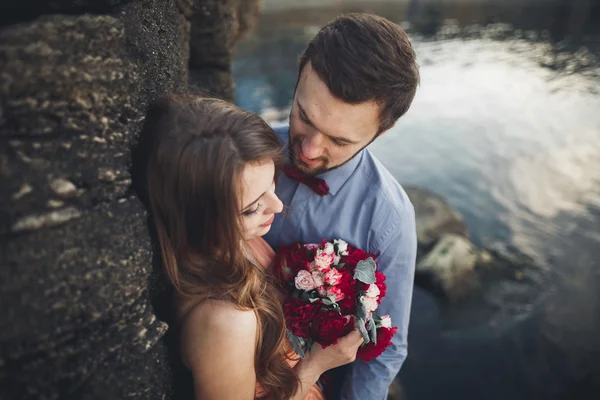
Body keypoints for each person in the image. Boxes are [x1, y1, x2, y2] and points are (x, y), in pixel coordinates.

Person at [142, 94, 364, 400]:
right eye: (250, 208)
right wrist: (317, 364)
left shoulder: (234, 242)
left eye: (272, 182)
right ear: (199, 219)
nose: (276, 205)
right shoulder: (227, 321)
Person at [263, 13, 420, 400]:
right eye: (303, 115)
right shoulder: (244, 149)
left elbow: (384, 347)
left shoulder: (389, 220)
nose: (310, 149)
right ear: (299, 75)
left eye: (339, 140)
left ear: (382, 130)